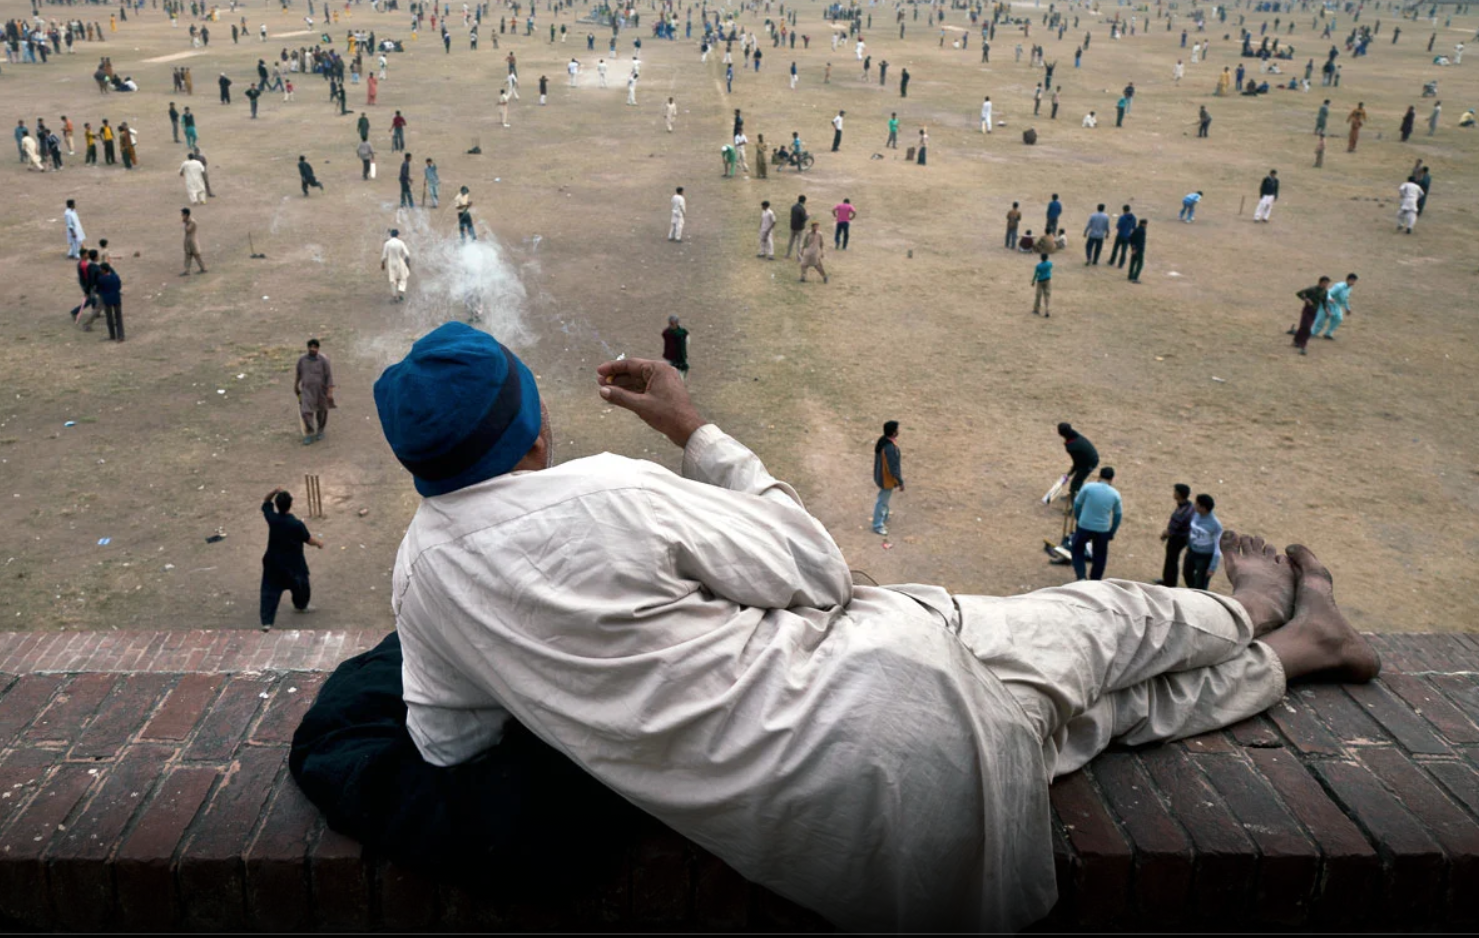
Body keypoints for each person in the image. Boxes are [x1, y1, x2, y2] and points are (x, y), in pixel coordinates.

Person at [363, 326, 1382, 931]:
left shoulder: (420, 576)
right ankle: (1248, 611)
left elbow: (449, 741)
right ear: (533, 430)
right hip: (892, 690)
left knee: (1092, 718)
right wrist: (691, 431)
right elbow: (815, 569)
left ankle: (1293, 651)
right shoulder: (602, 493)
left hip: (839, 837)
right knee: (1098, 621)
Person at [258, 486, 323, 631]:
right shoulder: (296, 524)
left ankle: (267, 622)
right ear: (290, 504)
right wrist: (319, 543)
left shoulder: (273, 519)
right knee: (301, 585)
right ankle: (301, 606)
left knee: (269, 591)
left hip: (273, 562)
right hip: (294, 563)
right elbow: (308, 539)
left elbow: (265, 502)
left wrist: (274, 491)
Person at [1070, 467, 1122, 581]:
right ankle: (1095, 580)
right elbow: (1118, 516)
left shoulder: (1088, 487)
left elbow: (1077, 505)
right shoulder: (1115, 494)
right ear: (1112, 479)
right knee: (1100, 557)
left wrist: (1079, 519)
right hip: (1102, 530)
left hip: (1084, 525)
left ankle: (1081, 576)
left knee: (1077, 549)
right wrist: (1112, 531)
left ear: (1099, 476)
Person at [295, 339, 336, 443]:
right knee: (305, 411)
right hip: (307, 390)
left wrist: (330, 392)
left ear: (318, 348)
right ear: (308, 348)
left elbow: (329, 376)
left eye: (315, 347)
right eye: (311, 347)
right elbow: (298, 374)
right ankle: (309, 432)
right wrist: (295, 386)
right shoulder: (302, 360)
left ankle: (321, 430)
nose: (313, 349)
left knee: (322, 411)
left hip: (321, 390)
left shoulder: (323, 360)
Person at [1157, 484, 1195, 587]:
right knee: (1172, 559)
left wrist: (1164, 535)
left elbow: (1172, 530)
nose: (1173, 493)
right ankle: (1169, 580)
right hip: (1185, 536)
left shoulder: (1181, 513)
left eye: (1175, 491)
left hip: (1177, 538)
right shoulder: (1190, 507)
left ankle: (1169, 582)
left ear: (1179, 494)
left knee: (1171, 559)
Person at [1184, 494, 1223, 589]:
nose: (1194, 505)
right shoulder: (1195, 515)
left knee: (1200, 584)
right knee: (1186, 574)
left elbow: (1218, 548)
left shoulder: (1215, 525)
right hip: (1192, 552)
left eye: (1197, 504)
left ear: (1203, 508)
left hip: (1204, 558)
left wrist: (1212, 567)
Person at [872, 419, 903, 535]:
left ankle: (884, 515)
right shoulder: (890, 448)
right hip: (886, 479)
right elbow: (893, 468)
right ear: (894, 432)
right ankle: (877, 525)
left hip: (880, 475)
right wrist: (900, 482)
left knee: (884, 499)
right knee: (882, 500)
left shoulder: (883, 441)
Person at [1290, 277, 1331, 355]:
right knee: (1307, 328)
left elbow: (1324, 302)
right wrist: (1306, 299)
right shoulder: (1312, 289)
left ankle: (1296, 341)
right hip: (1307, 310)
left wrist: (1327, 311)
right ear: (1320, 282)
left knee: (1304, 327)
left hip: (1314, 312)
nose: (1326, 285)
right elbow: (1299, 293)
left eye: (1327, 283)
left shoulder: (1325, 292)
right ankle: (1303, 346)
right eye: (1325, 283)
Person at [1312, 273, 1357, 340]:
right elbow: (1328, 292)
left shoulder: (1349, 288)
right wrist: (1329, 298)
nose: (1353, 282)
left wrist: (1347, 308)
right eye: (1352, 280)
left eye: (1354, 281)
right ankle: (1312, 333)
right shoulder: (1339, 286)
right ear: (1347, 279)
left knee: (1338, 319)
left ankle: (1328, 333)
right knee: (1320, 320)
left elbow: (1345, 298)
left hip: (1336, 305)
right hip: (1326, 303)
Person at [95, 261, 124, 342]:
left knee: (109, 318)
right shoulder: (115, 276)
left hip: (107, 299)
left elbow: (98, 289)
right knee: (118, 317)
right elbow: (119, 286)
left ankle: (112, 335)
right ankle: (120, 336)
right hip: (116, 297)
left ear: (104, 270)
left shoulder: (101, 279)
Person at [382, 228, 412, 302]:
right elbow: (407, 254)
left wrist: (382, 263)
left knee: (392, 279)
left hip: (391, 263)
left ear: (391, 235)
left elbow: (384, 256)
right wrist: (407, 263)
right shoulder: (401, 243)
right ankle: (401, 293)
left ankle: (394, 296)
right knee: (403, 277)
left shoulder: (387, 243)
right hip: (399, 262)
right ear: (398, 235)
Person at [181, 208, 206, 275]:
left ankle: (203, 268)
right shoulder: (189, 221)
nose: (182, 216)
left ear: (186, 215)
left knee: (197, 256)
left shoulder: (192, 222)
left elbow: (188, 230)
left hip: (192, 242)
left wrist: (185, 223)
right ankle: (187, 271)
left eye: (183, 215)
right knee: (187, 257)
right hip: (188, 242)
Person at [786, 196, 809, 260]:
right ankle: (799, 257)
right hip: (799, 228)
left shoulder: (793, 207)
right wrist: (807, 216)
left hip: (793, 227)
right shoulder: (802, 209)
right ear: (804, 201)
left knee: (791, 241)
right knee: (799, 242)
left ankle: (788, 254)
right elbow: (803, 219)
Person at [1031, 252, 1053, 317]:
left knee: (1038, 295)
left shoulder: (1039, 266)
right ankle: (1047, 310)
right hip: (1048, 280)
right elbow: (1051, 267)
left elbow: (1036, 274)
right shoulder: (1049, 264)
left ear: (1041, 258)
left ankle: (1036, 309)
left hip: (1040, 281)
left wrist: (1033, 281)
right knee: (1047, 295)